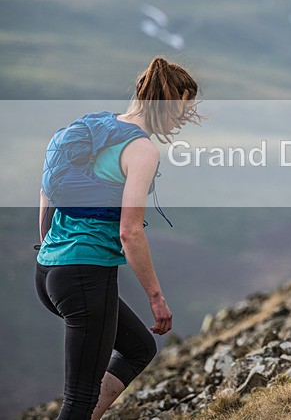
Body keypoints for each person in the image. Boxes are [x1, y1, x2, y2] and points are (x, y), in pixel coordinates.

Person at [35, 57, 201, 419]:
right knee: (78, 397)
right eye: (181, 112)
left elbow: (47, 189)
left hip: (50, 270)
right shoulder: (141, 150)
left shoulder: (92, 128)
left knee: (139, 348)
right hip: (84, 274)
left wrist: (51, 248)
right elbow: (129, 231)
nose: (180, 122)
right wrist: (156, 298)